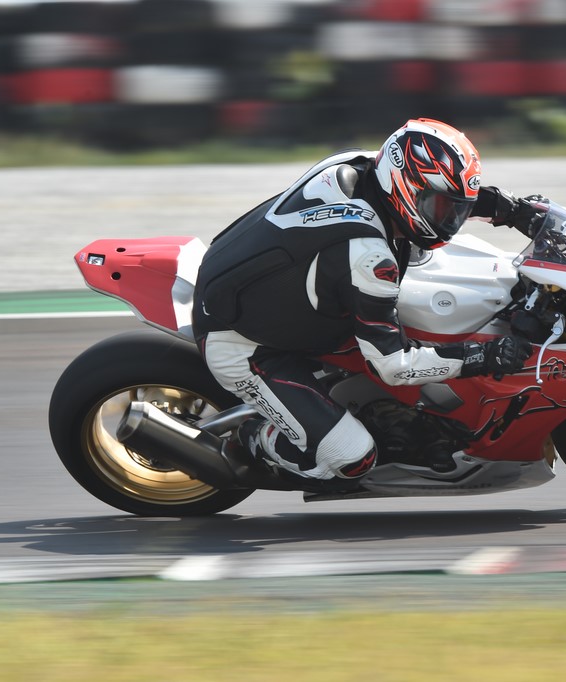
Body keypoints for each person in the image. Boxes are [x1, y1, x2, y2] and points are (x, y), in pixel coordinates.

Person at [192, 118, 544, 491]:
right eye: (441, 208)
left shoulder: (361, 165)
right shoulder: (369, 258)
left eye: (455, 209)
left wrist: (511, 208)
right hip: (245, 343)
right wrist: (484, 356)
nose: (450, 221)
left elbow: (432, 192)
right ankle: (253, 440)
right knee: (351, 460)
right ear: (404, 188)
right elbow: (395, 367)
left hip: (264, 289)